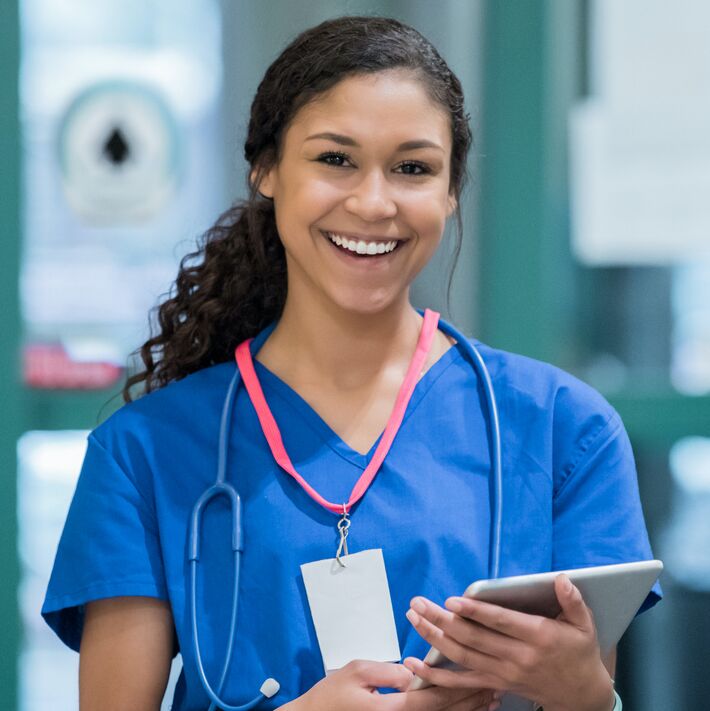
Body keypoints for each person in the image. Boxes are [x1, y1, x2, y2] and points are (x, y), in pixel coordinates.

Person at [42, 15, 661, 711]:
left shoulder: (563, 431)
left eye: (413, 168)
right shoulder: (143, 455)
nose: (374, 202)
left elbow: (590, 687)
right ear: (266, 169)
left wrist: (588, 694)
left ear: (451, 189)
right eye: (335, 159)